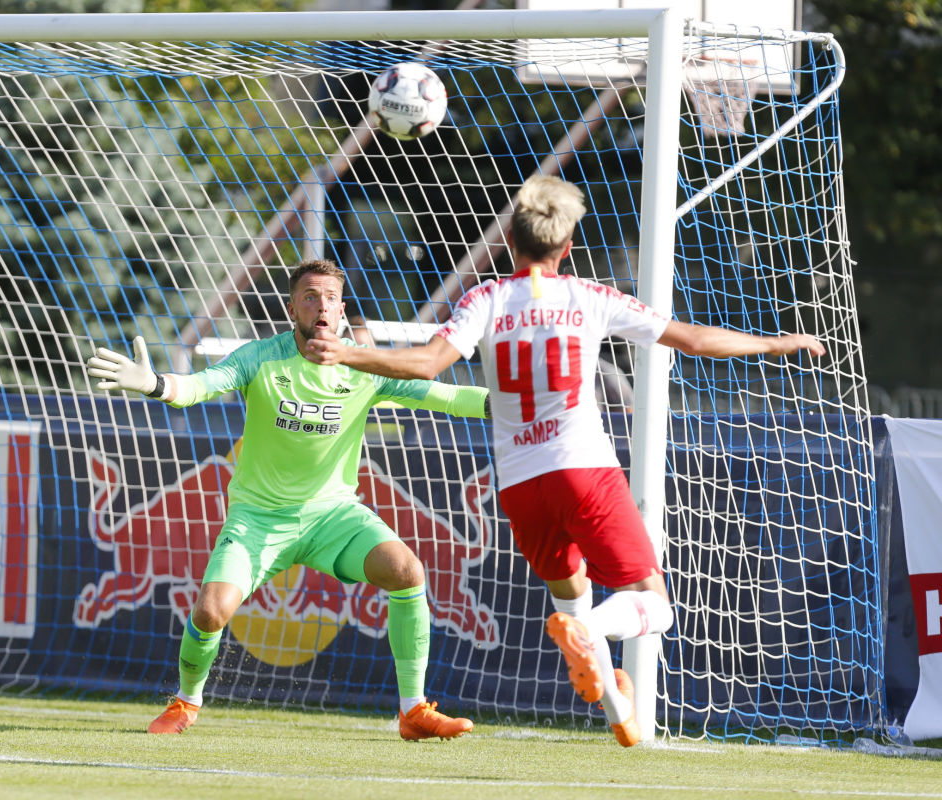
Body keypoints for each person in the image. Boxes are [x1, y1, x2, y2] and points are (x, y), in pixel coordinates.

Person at [303, 175, 825, 747]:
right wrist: (774, 344)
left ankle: (619, 713)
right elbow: (694, 340)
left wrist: (347, 352)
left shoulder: (485, 299)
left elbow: (428, 363)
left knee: (571, 592)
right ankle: (590, 630)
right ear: (568, 246)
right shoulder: (589, 296)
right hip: (582, 469)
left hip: (520, 486)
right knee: (654, 605)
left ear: (510, 239)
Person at [87, 259, 488, 740]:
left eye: (331, 298)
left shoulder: (365, 366)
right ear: (292, 308)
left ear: (341, 309)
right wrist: (155, 384)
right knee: (210, 612)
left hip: (333, 516)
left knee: (407, 571)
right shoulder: (260, 357)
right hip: (258, 519)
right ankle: (186, 703)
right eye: (310, 297)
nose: (322, 306)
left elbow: (447, 397)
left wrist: (515, 401)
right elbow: (198, 387)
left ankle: (413, 711)